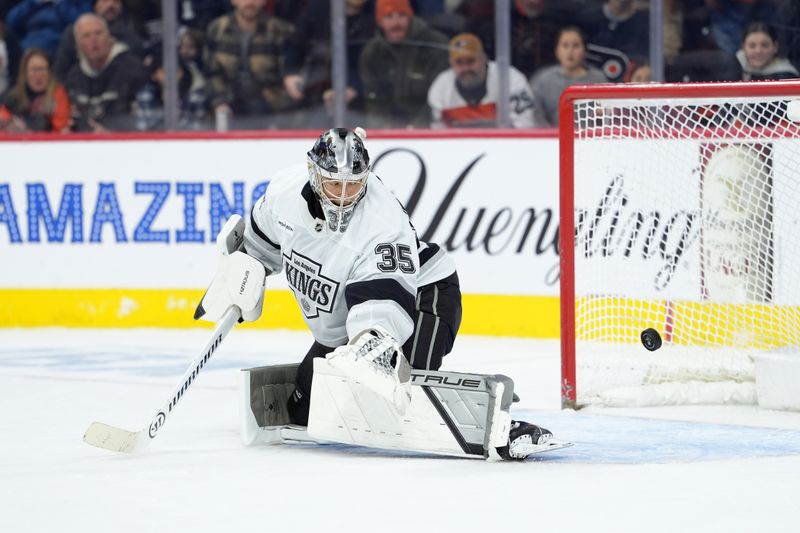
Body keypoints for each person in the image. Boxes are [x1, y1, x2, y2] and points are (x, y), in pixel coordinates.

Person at [195, 127, 553, 460]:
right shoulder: (283, 193)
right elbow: (261, 247)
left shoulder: (382, 225)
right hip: (347, 320)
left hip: (422, 298)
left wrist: (370, 352)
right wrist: (238, 276)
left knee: (392, 401)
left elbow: (381, 310)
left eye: (353, 185)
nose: (344, 196)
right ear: (314, 175)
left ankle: (499, 426)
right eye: (334, 185)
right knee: (302, 411)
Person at [282, 0, 375, 129]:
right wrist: (291, 71)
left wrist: (356, 86)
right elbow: (296, 44)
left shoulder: (378, 11)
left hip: (365, 103)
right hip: (318, 92)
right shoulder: (319, 8)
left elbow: (381, 65)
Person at [203, 0, 295, 130]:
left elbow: (288, 74)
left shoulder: (280, 30)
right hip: (228, 104)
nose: (250, 2)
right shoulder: (217, 29)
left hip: (271, 109)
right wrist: (219, 102)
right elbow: (211, 73)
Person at [359, 0, 449, 128]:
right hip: (390, 129)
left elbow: (439, 96)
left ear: (410, 17)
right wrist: (382, 131)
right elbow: (375, 101)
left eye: (402, 15)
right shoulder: (372, 54)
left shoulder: (434, 46)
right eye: (388, 16)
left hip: (429, 128)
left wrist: (415, 128)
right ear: (379, 21)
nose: (396, 23)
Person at [427, 32, 534, 128]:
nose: (466, 68)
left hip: (504, 143)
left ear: (484, 58)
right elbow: (437, 134)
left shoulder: (509, 78)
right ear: (451, 63)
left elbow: (525, 127)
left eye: (471, 61)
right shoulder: (440, 88)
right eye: (459, 62)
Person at [64, 13, 146, 132]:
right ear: (78, 44)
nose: (93, 40)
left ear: (108, 37)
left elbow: (143, 119)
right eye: (86, 36)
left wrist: (111, 135)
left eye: (98, 33)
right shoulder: (74, 77)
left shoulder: (132, 68)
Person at [52, 0, 146, 82]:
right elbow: (61, 71)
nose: (111, 5)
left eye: (116, 1)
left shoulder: (132, 32)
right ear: (95, 5)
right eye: (105, 0)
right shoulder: (74, 32)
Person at [530, 26, 606, 127]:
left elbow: (609, 117)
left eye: (576, 46)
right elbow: (536, 116)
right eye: (565, 46)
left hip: (590, 136)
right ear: (557, 51)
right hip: (551, 136)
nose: (570, 51)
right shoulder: (542, 80)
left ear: (585, 51)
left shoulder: (598, 80)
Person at [0, 47, 70, 132]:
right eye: (34, 70)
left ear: (49, 73)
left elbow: (60, 129)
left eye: (43, 69)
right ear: (25, 73)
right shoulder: (13, 96)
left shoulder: (58, 94)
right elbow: (3, 117)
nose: (38, 75)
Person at [5, 0, 90, 58]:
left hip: (58, 43)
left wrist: (59, 3)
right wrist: (34, 2)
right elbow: (11, 21)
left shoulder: (71, 3)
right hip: (29, 44)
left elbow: (83, 22)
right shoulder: (33, 4)